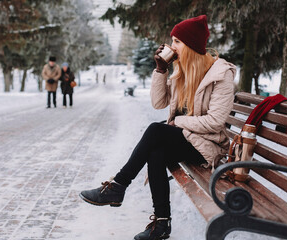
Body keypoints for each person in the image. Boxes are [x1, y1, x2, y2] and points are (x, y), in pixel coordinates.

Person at [79, 15, 236, 240]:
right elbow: (158, 103)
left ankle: (118, 186)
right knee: (156, 152)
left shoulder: (220, 75)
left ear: (190, 46)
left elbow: (215, 122)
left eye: (177, 42)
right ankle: (161, 224)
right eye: (172, 41)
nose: (171, 47)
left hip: (208, 145)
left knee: (155, 130)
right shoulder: (182, 71)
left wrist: (178, 122)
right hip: (187, 139)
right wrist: (161, 71)